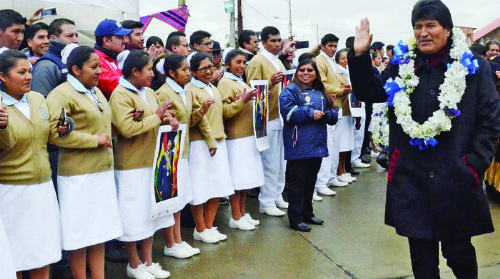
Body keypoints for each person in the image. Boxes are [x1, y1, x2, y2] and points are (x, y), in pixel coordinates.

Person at [349, 0, 500, 277]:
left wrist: (474, 163)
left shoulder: (474, 67)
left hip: (456, 175)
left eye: (431, 25)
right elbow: (369, 93)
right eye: (418, 27)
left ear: (448, 29)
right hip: (412, 177)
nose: (423, 33)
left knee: (458, 254)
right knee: (422, 259)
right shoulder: (401, 64)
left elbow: (490, 119)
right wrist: (359, 55)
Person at [46, 46, 123, 279]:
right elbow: (54, 134)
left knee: (99, 231)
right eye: (94, 67)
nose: (99, 71)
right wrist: (94, 140)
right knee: (79, 234)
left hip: (101, 171)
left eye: (99, 66)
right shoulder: (62, 94)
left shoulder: (95, 91)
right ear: (76, 69)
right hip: (78, 175)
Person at [110, 50, 174, 279]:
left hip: (151, 160)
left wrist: (168, 118)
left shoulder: (147, 92)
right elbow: (127, 129)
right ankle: (134, 263)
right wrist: (157, 116)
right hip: (131, 165)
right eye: (148, 70)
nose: (152, 74)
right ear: (134, 71)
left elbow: (156, 116)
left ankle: (148, 260)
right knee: (133, 216)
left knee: (150, 214)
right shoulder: (120, 95)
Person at [0, 49, 63, 279]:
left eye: (30, 71)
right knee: (14, 258)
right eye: (21, 72)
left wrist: (66, 128)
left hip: (43, 188)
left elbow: (50, 136)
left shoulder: (37, 98)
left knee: (41, 254)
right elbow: (7, 146)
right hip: (11, 191)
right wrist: (2, 128)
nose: (29, 76)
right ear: (3, 77)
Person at [156, 53, 213, 258]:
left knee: (179, 199)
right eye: (184, 70)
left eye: (189, 69)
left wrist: (203, 110)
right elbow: (164, 120)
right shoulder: (163, 93)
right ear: (171, 73)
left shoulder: (185, 92)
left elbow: (190, 120)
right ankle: (170, 243)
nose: (188, 73)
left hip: (183, 150)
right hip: (170, 152)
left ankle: (178, 239)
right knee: (170, 198)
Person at [280, 59, 338, 232]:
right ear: (297, 72)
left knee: (310, 182)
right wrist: (309, 112)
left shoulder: (321, 91)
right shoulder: (290, 90)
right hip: (298, 145)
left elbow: (334, 111)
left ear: (316, 73)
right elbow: (288, 113)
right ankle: (295, 219)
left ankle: (308, 214)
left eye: (309, 70)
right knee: (296, 184)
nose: (305, 73)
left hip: (317, 144)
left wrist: (329, 115)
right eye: (302, 70)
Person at [186, 52, 234, 243]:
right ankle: (200, 228)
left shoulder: (213, 88)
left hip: (219, 142)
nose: (208, 71)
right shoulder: (189, 90)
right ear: (192, 71)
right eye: (203, 68)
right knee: (200, 188)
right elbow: (191, 120)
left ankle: (208, 225)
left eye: (210, 67)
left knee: (217, 186)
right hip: (200, 144)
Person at [218, 49, 263, 230]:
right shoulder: (225, 83)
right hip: (235, 137)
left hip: (247, 135)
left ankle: (242, 213)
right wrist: (242, 100)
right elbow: (224, 112)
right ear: (227, 64)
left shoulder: (239, 81)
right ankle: (235, 215)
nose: (242, 66)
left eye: (244, 63)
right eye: (238, 62)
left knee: (245, 179)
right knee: (237, 180)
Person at [246, 26, 288, 217]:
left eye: (279, 40)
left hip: (280, 116)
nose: (278, 44)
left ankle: (278, 194)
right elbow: (252, 89)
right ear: (263, 43)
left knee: (281, 161)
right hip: (266, 118)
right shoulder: (257, 61)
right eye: (273, 41)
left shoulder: (278, 61)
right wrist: (270, 82)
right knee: (270, 161)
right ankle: (267, 201)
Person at [316, 33, 355, 186]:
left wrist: (342, 88)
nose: (333, 49)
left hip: (336, 106)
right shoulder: (320, 61)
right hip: (327, 106)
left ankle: (332, 177)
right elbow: (322, 84)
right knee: (328, 144)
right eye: (330, 46)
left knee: (335, 145)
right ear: (322, 46)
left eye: (335, 46)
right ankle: (323, 181)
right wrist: (341, 90)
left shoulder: (330, 61)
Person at [32, 18, 79, 97]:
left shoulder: (75, 60)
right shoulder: (45, 66)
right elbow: (41, 102)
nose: (75, 40)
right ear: (53, 38)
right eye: (69, 36)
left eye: (76, 36)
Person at [94, 19, 132, 99]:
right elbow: (121, 87)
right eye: (120, 38)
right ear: (106, 41)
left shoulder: (114, 57)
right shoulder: (95, 60)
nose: (125, 41)